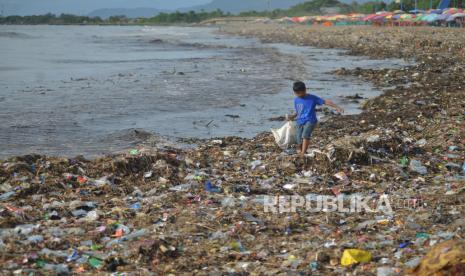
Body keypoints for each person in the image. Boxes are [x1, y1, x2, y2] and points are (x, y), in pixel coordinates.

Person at [288, 81, 344, 157]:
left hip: (310, 120)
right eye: (296, 93)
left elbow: (325, 102)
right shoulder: (296, 100)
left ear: (305, 90)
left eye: (300, 93)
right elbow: (299, 111)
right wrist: (293, 117)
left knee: (305, 135)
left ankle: (303, 153)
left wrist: (337, 107)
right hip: (300, 120)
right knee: (298, 138)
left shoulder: (312, 98)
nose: (298, 95)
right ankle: (302, 152)